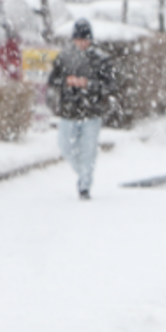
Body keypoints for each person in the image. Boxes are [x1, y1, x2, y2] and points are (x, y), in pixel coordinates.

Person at [46, 19, 113, 200]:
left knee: (88, 150)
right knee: (65, 146)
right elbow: (53, 80)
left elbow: (109, 86)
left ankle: (85, 184)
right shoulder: (64, 57)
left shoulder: (101, 59)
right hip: (68, 111)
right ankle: (81, 171)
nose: (82, 43)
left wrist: (89, 84)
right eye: (78, 39)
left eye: (85, 39)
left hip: (92, 112)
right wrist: (67, 82)